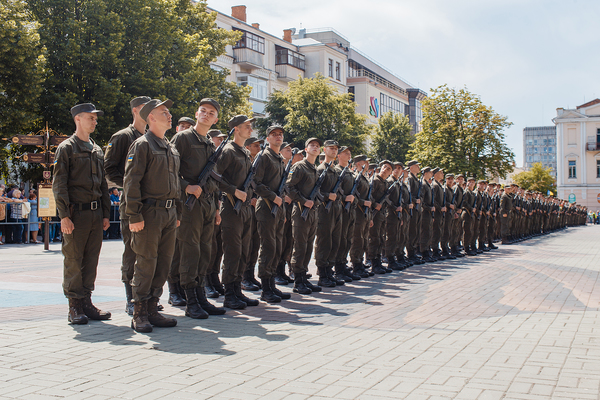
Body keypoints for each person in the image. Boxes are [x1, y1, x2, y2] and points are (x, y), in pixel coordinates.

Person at [123, 98, 180, 333]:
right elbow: (131, 182)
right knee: (146, 262)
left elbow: (176, 182)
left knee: (164, 262)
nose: (169, 115)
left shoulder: (170, 147)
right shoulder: (142, 145)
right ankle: (139, 312)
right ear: (151, 118)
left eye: (168, 112)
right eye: (163, 112)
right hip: (148, 211)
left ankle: (152, 307)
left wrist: (177, 211)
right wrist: (134, 215)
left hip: (168, 212)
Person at [53, 102, 111, 325]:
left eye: (95, 118)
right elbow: (59, 184)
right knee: (74, 260)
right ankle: (74, 306)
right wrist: (64, 216)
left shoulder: (97, 149)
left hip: (95, 215)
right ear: (78, 118)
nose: (94, 121)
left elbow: (103, 185)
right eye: (90, 117)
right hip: (75, 214)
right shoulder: (67, 148)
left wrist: (106, 213)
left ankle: (86, 301)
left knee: (90, 260)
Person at [170, 98, 225, 319]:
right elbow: (170, 169)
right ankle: (190, 300)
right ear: (196, 114)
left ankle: (201, 296)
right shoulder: (182, 138)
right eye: (203, 111)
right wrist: (187, 186)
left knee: (205, 251)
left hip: (208, 204)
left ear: (216, 119)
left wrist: (217, 207)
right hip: (189, 205)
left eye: (211, 113)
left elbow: (215, 179)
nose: (206, 114)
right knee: (190, 252)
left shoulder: (210, 143)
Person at [104, 96, 151, 315]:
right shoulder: (123, 136)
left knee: (149, 253)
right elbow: (110, 169)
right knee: (132, 252)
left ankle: (146, 297)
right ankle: (131, 298)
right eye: (143, 108)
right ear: (134, 110)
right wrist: (130, 186)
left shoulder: (153, 137)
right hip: (132, 205)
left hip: (151, 205)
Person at [216, 115, 260, 309]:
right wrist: (234, 191)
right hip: (231, 207)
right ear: (236, 129)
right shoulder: (228, 151)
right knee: (233, 251)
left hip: (244, 209)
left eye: (250, 127)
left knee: (243, 250)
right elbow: (215, 177)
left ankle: (237, 290)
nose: (250, 130)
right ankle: (229, 294)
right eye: (246, 127)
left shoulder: (243, 152)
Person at [253, 125, 291, 302]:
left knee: (276, 247)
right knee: (268, 248)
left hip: (278, 208)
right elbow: (256, 183)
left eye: (280, 135)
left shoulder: (279, 158)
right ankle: (266, 289)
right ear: (267, 138)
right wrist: (272, 197)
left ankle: (272, 285)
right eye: (273, 134)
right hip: (267, 207)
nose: (278, 137)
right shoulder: (264, 156)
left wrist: (281, 207)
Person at [286, 138, 325, 294]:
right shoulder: (299, 166)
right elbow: (289, 186)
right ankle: (297, 281)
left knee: (308, 246)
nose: (315, 148)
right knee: (300, 246)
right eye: (312, 145)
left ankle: (303, 277)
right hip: (301, 212)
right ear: (306, 149)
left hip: (312, 212)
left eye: (317, 146)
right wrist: (303, 201)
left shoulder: (314, 168)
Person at [315, 140, 345, 287]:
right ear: (324, 150)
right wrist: (327, 196)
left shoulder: (335, 170)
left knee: (335, 241)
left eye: (335, 149)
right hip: (324, 211)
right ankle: (322, 274)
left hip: (336, 210)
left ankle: (329, 271)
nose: (334, 151)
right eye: (331, 148)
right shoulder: (321, 169)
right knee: (324, 242)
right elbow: (316, 191)